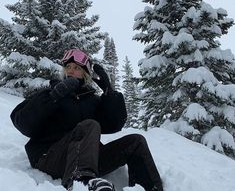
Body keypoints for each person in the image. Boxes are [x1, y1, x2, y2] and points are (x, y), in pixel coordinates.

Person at [10, 48, 163, 191]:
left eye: (76, 68)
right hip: (49, 158)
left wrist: (109, 92)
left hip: (88, 158)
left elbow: (114, 124)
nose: (71, 71)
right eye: (68, 67)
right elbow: (23, 123)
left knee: (135, 142)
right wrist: (53, 97)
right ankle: (80, 182)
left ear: (85, 74)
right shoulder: (50, 94)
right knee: (89, 125)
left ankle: (150, 188)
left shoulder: (92, 101)